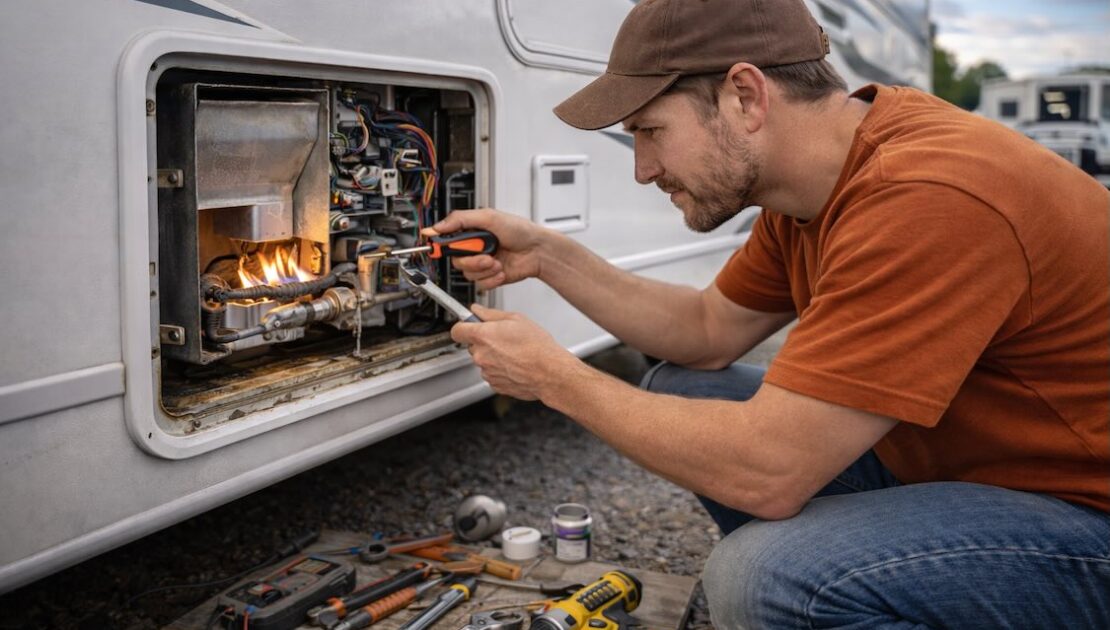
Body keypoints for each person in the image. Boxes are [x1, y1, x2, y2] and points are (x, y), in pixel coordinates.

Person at [423, 0, 1110, 626]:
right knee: (683, 384)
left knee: (762, 575)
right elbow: (706, 331)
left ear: (745, 96)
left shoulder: (926, 196)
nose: (641, 167)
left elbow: (771, 473)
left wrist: (555, 379)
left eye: (651, 131)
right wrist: (547, 255)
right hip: (976, 473)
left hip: (1084, 517)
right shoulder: (814, 186)